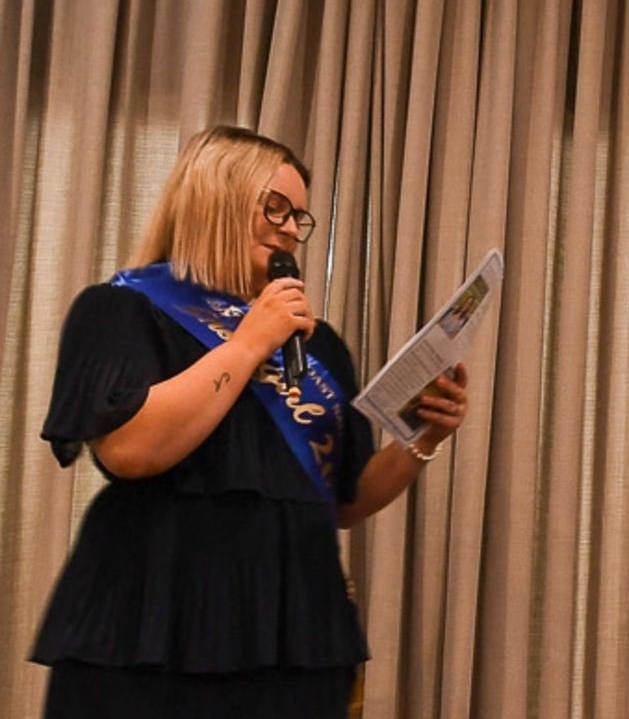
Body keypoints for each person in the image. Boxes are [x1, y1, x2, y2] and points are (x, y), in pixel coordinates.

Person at [30, 126, 469, 718]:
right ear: (215, 199)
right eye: (276, 208)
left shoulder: (318, 346)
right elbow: (130, 451)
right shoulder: (121, 310)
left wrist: (423, 437)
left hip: (295, 631)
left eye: (300, 216)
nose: (291, 228)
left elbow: (344, 498)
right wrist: (246, 344)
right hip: (157, 626)